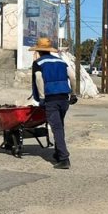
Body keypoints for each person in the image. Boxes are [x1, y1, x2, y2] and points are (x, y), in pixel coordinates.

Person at [30, 37, 76, 169]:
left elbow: (39, 79)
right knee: (59, 125)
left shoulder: (38, 63)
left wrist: (42, 97)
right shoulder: (61, 61)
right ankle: (57, 152)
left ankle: (64, 158)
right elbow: (72, 77)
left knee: (56, 128)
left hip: (51, 98)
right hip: (64, 98)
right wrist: (73, 94)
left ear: (39, 50)